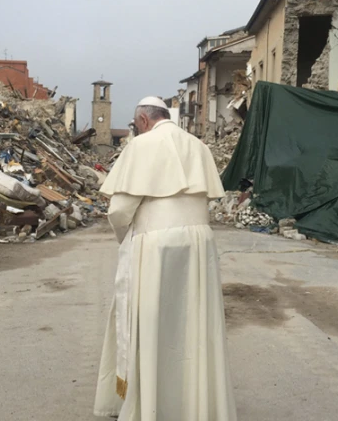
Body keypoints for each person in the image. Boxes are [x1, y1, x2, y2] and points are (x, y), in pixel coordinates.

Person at [93, 97, 237, 421]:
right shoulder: (199, 146)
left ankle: (154, 409)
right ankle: (195, 409)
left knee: (154, 326)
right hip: (200, 242)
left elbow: (118, 210)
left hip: (155, 244)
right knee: (194, 328)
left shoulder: (141, 146)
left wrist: (126, 239)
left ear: (143, 121)